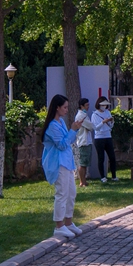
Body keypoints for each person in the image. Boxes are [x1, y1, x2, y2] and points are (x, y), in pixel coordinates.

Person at [42, 95, 82, 241]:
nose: (66, 110)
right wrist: (72, 130)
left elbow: (69, 141)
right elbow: (62, 144)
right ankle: (59, 226)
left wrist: (74, 130)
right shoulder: (52, 126)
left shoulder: (61, 123)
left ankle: (68, 222)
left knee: (71, 193)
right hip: (58, 164)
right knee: (62, 194)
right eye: (64, 107)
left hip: (67, 163)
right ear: (57, 107)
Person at [92, 96, 118, 183]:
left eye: (106, 105)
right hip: (99, 138)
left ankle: (114, 176)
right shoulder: (94, 114)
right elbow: (96, 128)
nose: (104, 107)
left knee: (112, 157)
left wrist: (111, 121)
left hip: (108, 136)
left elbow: (110, 126)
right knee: (101, 158)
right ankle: (103, 177)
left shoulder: (107, 112)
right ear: (99, 105)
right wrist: (103, 122)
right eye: (103, 105)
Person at [73, 98, 94, 188]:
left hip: (87, 141)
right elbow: (90, 126)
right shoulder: (81, 116)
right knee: (82, 163)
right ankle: (82, 182)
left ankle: (84, 181)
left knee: (85, 163)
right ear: (81, 106)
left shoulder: (84, 115)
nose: (88, 107)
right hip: (83, 141)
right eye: (86, 105)